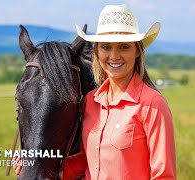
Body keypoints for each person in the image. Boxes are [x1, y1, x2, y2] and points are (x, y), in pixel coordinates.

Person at [14, 4, 176, 179]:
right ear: (96, 51)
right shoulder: (91, 101)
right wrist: (39, 167)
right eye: (106, 47)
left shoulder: (153, 105)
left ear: (137, 51)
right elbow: (87, 160)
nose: (114, 56)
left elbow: (164, 175)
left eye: (124, 47)